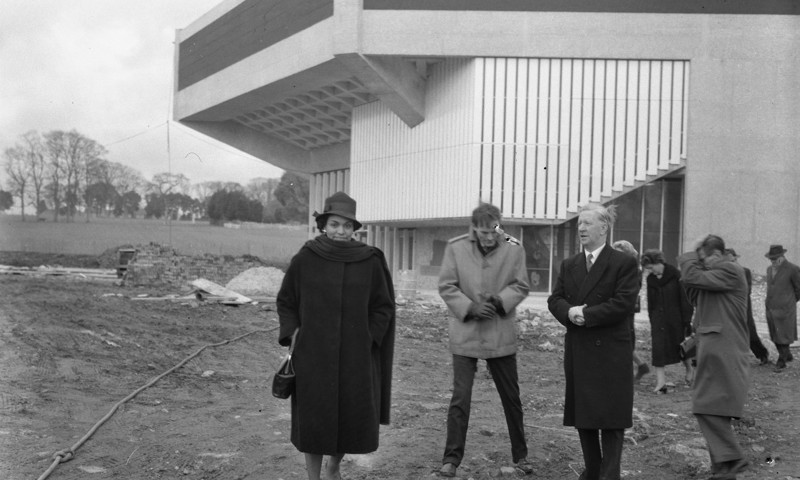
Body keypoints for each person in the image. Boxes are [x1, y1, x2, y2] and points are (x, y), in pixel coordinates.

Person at [276, 192, 396, 480]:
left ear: (355, 229)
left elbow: (383, 306)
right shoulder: (306, 257)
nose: (340, 231)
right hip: (313, 355)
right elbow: (286, 300)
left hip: (356, 356)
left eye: (346, 226)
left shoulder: (370, 260)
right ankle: (314, 477)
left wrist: (369, 337)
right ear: (323, 225)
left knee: (349, 416)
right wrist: (292, 333)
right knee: (314, 419)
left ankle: (334, 465)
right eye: (334, 224)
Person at [437, 202, 533, 477]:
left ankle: (521, 456)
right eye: (482, 232)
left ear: (499, 224)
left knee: (511, 397)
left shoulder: (515, 247)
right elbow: (446, 285)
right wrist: (469, 307)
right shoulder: (455, 248)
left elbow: (522, 284)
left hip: (500, 333)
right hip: (465, 334)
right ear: (473, 228)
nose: (489, 237)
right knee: (460, 398)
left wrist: (501, 301)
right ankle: (451, 460)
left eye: (493, 230)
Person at [547, 204, 640, 480]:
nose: (582, 229)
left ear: (604, 228)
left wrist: (585, 315)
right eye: (579, 225)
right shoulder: (570, 264)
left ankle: (609, 474)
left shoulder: (623, 263)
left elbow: (623, 304)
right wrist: (569, 312)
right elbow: (555, 299)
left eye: (587, 223)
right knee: (584, 417)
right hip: (580, 350)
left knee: (612, 419)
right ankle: (594, 470)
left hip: (611, 351)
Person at [678, 234, 750, 480]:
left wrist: (689, 255)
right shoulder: (713, 278)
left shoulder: (730, 270)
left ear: (717, 255)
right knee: (711, 407)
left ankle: (733, 458)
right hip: (714, 349)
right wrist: (696, 262)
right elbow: (692, 291)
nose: (703, 263)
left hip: (725, 350)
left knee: (707, 406)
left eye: (704, 258)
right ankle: (723, 469)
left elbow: (691, 276)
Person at [640, 249, 695, 393]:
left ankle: (689, 370)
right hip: (658, 321)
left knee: (682, 347)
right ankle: (661, 382)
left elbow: (685, 300)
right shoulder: (650, 279)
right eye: (648, 270)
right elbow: (651, 302)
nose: (651, 272)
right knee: (658, 350)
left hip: (675, 319)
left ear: (659, 262)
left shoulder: (676, 275)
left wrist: (686, 320)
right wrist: (652, 318)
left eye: (651, 268)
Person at [611, 240, 650, 383]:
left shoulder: (633, 269)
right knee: (621, 341)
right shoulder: (621, 267)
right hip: (620, 309)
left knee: (624, 340)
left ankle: (629, 372)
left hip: (625, 310)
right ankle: (640, 366)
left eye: (620, 253)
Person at [725, 248, 770, 365]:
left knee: (750, 333)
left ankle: (762, 354)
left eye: (732, 260)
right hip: (728, 308)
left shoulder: (745, 271)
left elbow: (747, 290)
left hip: (744, 307)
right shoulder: (723, 273)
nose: (731, 263)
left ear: (735, 258)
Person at [764, 244, 800, 372]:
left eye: (775, 259)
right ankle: (787, 355)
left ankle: (782, 360)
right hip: (771, 307)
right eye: (771, 259)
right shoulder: (769, 269)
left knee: (784, 334)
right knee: (774, 333)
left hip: (785, 309)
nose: (773, 261)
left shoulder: (793, 269)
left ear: (782, 257)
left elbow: (798, 289)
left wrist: (789, 301)